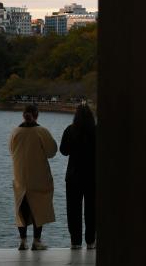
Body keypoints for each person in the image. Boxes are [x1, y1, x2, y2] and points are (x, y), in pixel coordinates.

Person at [9, 103, 58, 251]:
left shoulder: (15, 132)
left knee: (21, 208)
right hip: (38, 175)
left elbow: (11, 150)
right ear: (37, 115)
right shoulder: (41, 131)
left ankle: (22, 241)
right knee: (39, 207)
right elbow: (52, 152)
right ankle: (36, 241)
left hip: (20, 175)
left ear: (23, 115)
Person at [60, 102, 97, 249]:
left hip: (73, 176)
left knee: (73, 209)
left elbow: (63, 151)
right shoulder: (97, 131)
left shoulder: (70, 130)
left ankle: (75, 242)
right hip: (93, 176)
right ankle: (91, 241)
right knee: (92, 209)